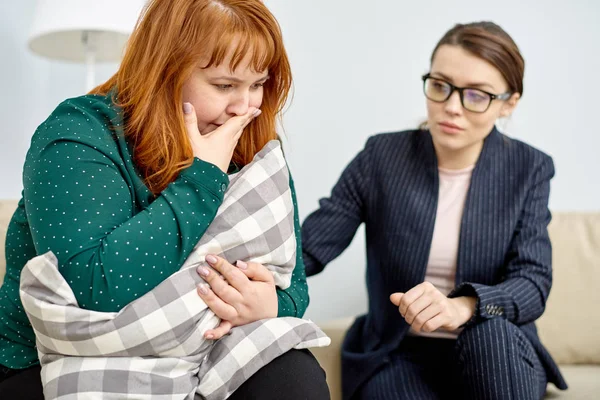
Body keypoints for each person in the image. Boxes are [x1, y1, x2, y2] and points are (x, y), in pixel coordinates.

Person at [0, 1, 329, 399]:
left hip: (204, 349)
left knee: (293, 372)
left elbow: (292, 284)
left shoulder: (247, 139)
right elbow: (93, 291)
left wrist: (270, 305)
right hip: (56, 360)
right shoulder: (77, 135)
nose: (245, 108)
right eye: (225, 86)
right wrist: (202, 177)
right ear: (164, 72)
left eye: (257, 84)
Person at [302, 21, 568, 400]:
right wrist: (252, 273)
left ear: (509, 102)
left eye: (476, 95)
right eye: (440, 86)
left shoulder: (529, 169)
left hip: (492, 345)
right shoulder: (381, 157)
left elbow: (532, 283)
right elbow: (311, 246)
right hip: (400, 352)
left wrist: (464, 307)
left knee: (490, 338)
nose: (451, 108)